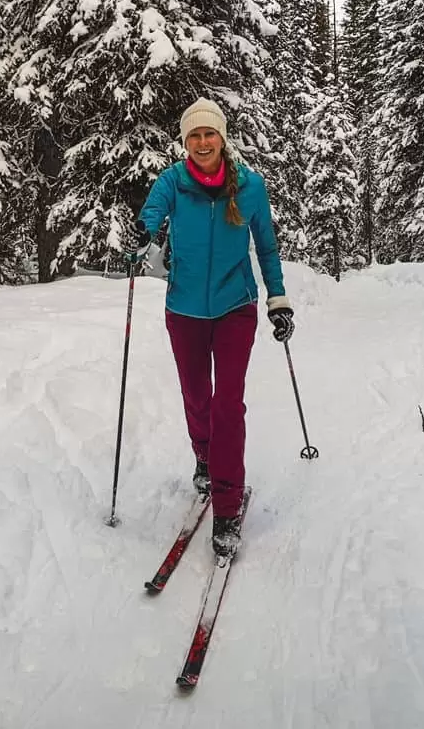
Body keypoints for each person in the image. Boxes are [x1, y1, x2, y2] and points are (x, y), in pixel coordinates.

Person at [129, 98, 294, 558]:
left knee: (226, 404)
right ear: (186, 142)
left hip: (234, 307)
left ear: (223, 138)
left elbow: (267, 249)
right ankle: (204, 455)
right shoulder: (173, 182)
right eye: (194, 136)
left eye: (210, 134)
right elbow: (152, 212)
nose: (203, 143)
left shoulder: (250, 188)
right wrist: (142, 231)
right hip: (183, 310)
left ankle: (227, 501)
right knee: (197, 396)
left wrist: (278, 299)